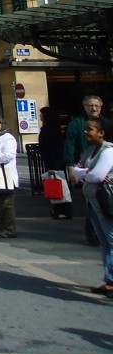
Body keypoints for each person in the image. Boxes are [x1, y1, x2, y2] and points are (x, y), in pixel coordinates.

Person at [70, 116, 113, 296]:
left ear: (101, 133)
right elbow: (75, 172)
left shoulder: (108, 151)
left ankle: (111, 281)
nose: (86, 132)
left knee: (111, 241)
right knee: (103, 242)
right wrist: (87, 172)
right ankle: (109, 279)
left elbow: (96, 175)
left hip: (107, 204)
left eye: (90, 129)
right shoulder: (90, 151)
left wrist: (84, 173)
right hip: (93, 203)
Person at [66, 96, 104, 245]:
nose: (94, 108)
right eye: (90, 106)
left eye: (96, 106)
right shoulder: (76, 124)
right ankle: (93, 233)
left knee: (105, 200)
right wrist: (70, 166)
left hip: (105, 168)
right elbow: (69, 145)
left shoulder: (107, 123)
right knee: (91, 201)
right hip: (86, 167)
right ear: (85, 107)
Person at [37, 106, 72, 219]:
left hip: (54, 161)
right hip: (52, 160)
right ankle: (58, 209)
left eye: (42, 114)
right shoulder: (50, 127)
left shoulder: (50, 129)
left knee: (60, 186)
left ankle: (64, 210)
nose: (40, 116)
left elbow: (52, 147)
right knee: (56, 186)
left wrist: (52, 164)